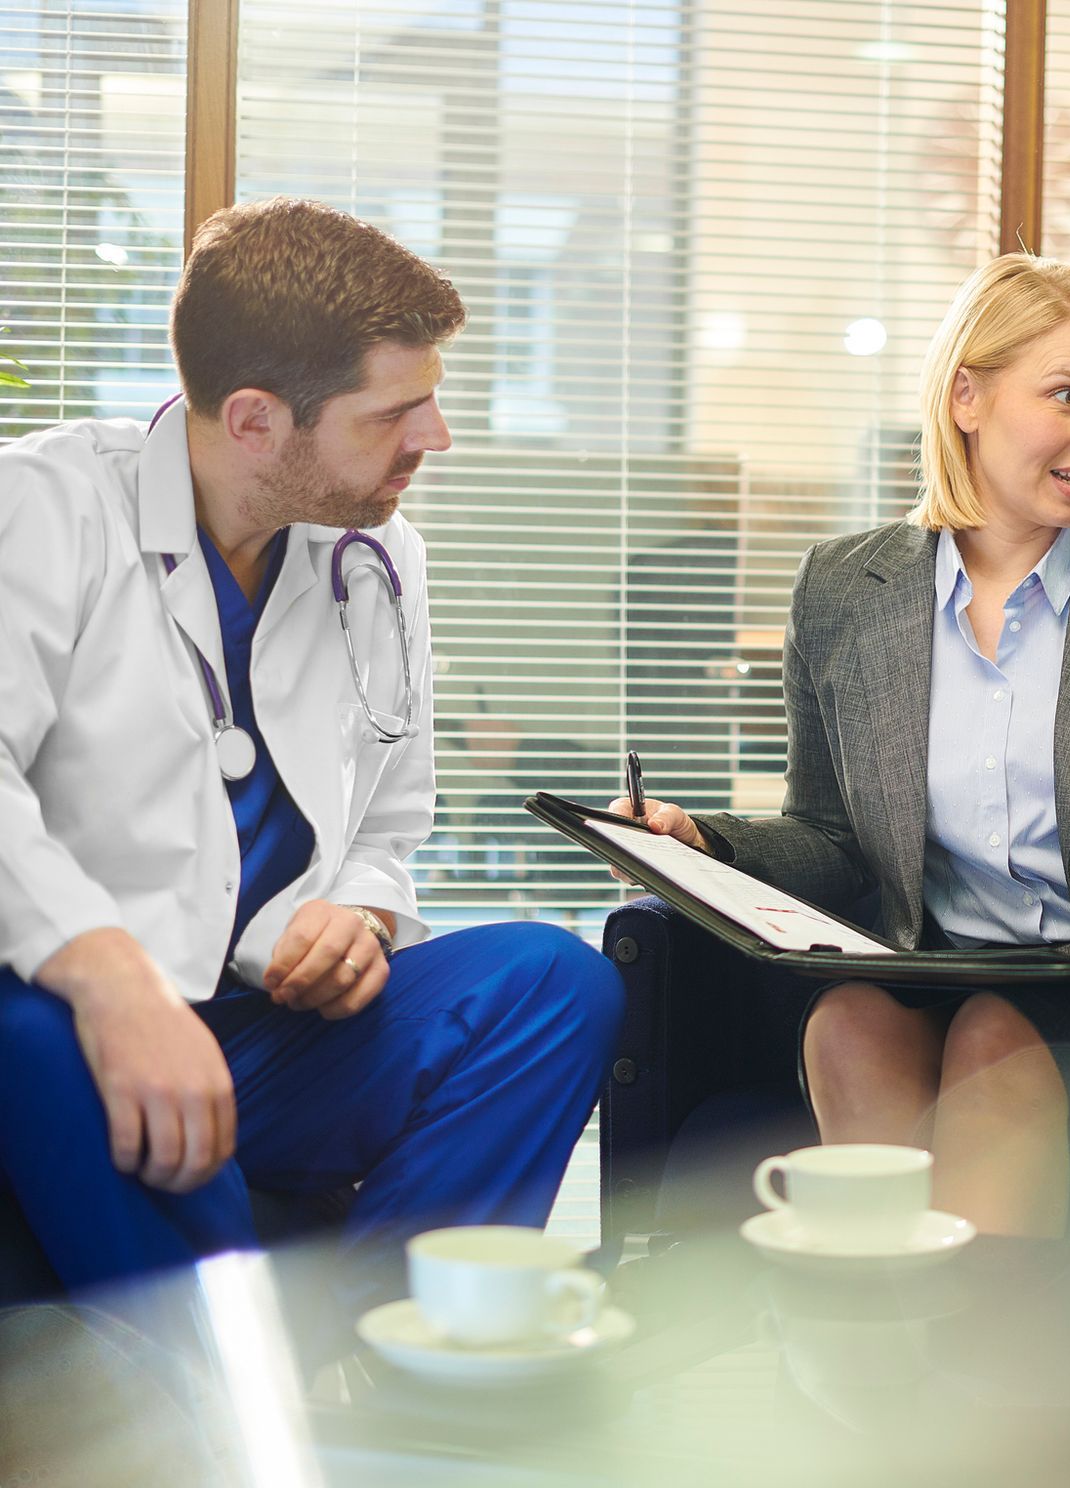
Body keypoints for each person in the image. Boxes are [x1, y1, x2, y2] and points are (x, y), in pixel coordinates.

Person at [0, 198, 623, 1307]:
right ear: (254, 420)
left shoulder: (378, 558)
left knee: (554, 982)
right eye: (395, 412)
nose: (435, 437)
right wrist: (115, 984)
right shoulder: (47, 509)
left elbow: (390, 824)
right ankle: (224, 1413)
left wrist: (360, 915)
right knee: (31, 1036)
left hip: (265, 1023)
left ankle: (384, 1351)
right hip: (75, 1018)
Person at [618, 254, 1070, 1236]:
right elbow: (831, 835)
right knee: (848, 1021)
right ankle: (885, 1344)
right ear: (966, 396)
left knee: (995, 1035)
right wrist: (704, 842)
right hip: (923, 965)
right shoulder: (842, 589)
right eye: (1065, 396)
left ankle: (969, 1356)